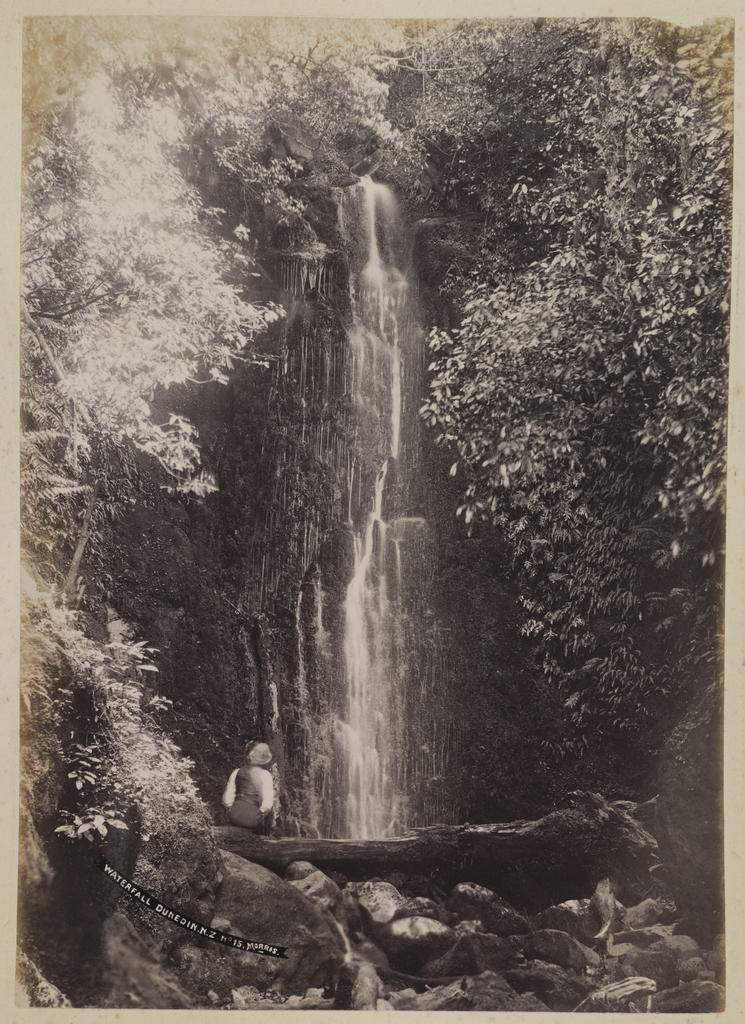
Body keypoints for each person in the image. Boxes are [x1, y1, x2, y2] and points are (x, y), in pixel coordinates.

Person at [222, 742, 275, 833]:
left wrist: (231, 809)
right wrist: (260, 814)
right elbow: (268, 804)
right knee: (270, 815)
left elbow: (226, 800)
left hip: (234, 816)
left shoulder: (236, 772)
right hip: (253, 819)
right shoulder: (266, 775)